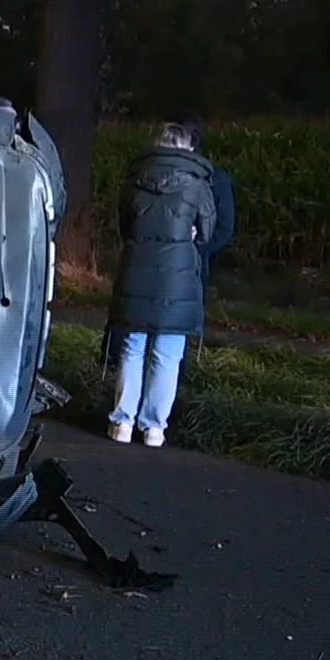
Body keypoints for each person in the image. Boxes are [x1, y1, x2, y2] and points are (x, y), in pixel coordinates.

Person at [105, 119, 219, 448]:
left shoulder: (134, 179)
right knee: (167, 353)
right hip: (178, 277)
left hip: (136, 269)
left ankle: (121, 422)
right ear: (188, 148)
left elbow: (125, 226)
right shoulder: (198, 184)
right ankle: (154, 428)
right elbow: (207, 232)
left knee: (132, 347)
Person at [174, 111, 237, 289]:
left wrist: (196, 249)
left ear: (192, 141)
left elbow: (224, 227)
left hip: (193, 269)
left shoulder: (214, 178)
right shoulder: (153, 175)